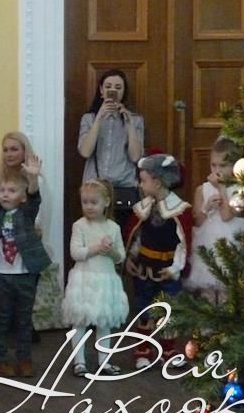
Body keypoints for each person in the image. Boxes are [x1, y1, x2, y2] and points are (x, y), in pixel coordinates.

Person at [0, 154, 50, 378]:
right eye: (2, 191)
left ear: (22, 196)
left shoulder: (26, 213)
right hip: (1, 272)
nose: (5, 194)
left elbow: (35, 200)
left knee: (23, 319)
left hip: (25, 272)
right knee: (1, 318)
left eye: (11, 191)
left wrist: (33, 179)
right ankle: (0, 360)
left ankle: (24, 359)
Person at [125, 153, 192, 370]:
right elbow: (136, 237)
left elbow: (183, 243)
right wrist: (130, 258)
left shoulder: (179, 210)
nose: (140, 184)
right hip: (144, 269)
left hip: (168, 270)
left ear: (157, 182)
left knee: (168, 310)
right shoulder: (142, 208)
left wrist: (175, 268)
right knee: (144, 309)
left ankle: (168, 350)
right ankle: (143, 349)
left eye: (143, 180)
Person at [60, 179, 127, 377]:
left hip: (106, 281)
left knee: (104, 323)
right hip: (84, 280)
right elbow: (75, 253)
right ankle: (79, 362)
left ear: (106, 202)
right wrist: (96, 248)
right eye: (85, 202)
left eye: (93, 202)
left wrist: (111, 251)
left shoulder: (113, 227)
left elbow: (121, 256)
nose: (89, 206)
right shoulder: (79, 226)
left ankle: (104, 362)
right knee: (80, 322)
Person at [77, 70, 145, 232]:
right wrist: (99, 117)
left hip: (124, 186)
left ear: (123, 92)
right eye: (108, 87)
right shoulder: (89, 119)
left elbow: (135, 156)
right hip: (95, 188)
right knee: (95, 235)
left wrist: (129, 124)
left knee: (122, 235)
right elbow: (85, 152)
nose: (112, 90)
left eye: (118, 87)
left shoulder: (135, 120)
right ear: (101, 90)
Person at [188, 138, 244, 306]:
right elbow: (197, 221)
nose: (217, 170)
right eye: (213, 165)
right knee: (207, 290)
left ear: (234, 166)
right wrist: (206, 207)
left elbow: (226, 216)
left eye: (222, 166)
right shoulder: (202, 189)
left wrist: (222, 189)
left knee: (228, 290)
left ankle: (226, 319)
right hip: (209, 244)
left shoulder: (240, 190)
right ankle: (207, 321)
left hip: (231, 243)